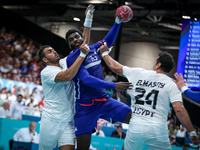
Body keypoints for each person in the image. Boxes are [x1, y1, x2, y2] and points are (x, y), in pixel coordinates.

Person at [99, 45, 199, 150]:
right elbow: (179, 109)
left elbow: (115, 67)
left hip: (136, 127)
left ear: (158, 65)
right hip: (157, 130)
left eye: (155, 60)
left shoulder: (139, 73)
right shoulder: (172, 84)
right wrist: (192, 131)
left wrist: (105, 53)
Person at [65, 10, 132, 150]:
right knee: (82, 148)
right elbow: (87, 80)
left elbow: (108, 40)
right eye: (71, 40)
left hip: (104, 101)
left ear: (82, 38)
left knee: (135, 118)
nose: (75, 40)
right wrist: (114, 85)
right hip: (85, 107)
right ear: (69, 45)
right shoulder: (72, 59)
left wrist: (118, 22)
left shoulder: (94, 48)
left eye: (76, 37)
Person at [38, 5, 93, 150]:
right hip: (51, 120)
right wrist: (81, 55)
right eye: (49, 52)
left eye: (53, 49)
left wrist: (87, 20)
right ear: (45, 59)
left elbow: (83, 45)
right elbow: (68, 76)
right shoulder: (47, 72)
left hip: (68, 121)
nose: (54, 52)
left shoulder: (65, 62)